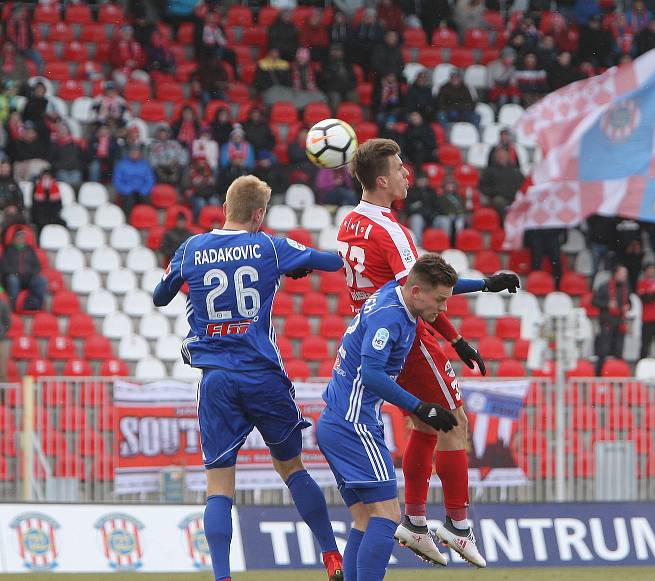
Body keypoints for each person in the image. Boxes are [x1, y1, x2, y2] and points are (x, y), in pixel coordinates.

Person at [153, 175, 346, 581]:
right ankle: (331, 555)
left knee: (218, 485)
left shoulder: (191, 248)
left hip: (217, 379)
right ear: (259, 214)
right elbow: (327, 261)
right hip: (263, 375)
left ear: (225, 208)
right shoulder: (269, 247)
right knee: (292, 468)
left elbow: (159, 296)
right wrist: (314, 264)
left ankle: (222, 577)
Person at [338, 139, 519, 567]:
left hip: (372, 330)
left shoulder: (349, 224)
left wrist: (457, 338)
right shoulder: (390, 230)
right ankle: (457, 526)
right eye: (400, 168)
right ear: (382, 180)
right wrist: (458, 332)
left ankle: (416, 522)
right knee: (454, 424)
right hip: (406, 336)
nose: (407, 174)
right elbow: (420, 292)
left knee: (423, 425)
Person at [317, 255, 460, 581]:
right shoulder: (390, 318)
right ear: (417, 292)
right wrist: (421, 407)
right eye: (439, 300)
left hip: (336, 422)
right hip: (354, 424)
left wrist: (484, 284)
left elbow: (427, 284)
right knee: (388, 515)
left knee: (366, 519)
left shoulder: (394, 295)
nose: (444, 309)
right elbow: (371, 375)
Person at [593, 265, 631, 375]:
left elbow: (629, 302)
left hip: (620, 323)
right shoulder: (605, 287)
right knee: (603, 352)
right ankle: (599, 376)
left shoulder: (626, 288)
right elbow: (594, 301)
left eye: (625, 274)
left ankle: (616, 376)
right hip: (607, 322)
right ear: (616, 274)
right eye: (622, 273)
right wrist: (607, 304)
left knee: (618, 352)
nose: (624, 276)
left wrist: (628, 306)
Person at [3, 229, 46, 311]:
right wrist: (14, 273)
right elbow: (4, 267)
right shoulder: (8, 250)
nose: (21, 240)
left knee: (41, 281)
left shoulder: (30, 250)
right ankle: (13, 307)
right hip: (14, 277)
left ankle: (34, 305)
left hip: (29, 277)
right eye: (19, 238)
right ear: (14, 239)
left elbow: (37, 266)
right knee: (12, 280)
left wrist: (31, 274)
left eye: (23, 238)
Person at [112, 144, 156, 216]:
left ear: (140, 154)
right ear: (129, 153)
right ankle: (128, 221)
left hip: (142, 190)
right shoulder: (121, 164)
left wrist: (144, 190)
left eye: (136, 152)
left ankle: (145, 220)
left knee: (146, 200)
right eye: (132, 152)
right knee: (128, 201)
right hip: (127, 190)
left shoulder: (145, 164)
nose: (134, 154)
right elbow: (117, 181)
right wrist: (127, 189)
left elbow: (150, 180)